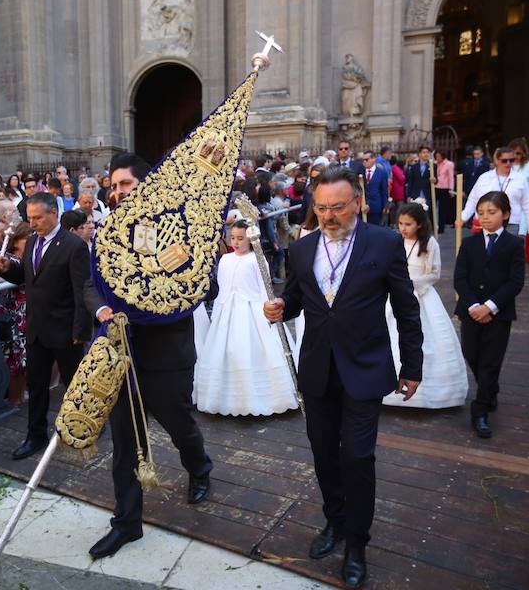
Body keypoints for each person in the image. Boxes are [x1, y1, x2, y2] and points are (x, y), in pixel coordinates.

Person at [263, 167, 422, 588]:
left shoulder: (385, 243)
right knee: (323, 453)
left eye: (338, 207)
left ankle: (356, 542)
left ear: (358, 203)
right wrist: (281, 305)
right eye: (321, 207)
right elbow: (297, 298)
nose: (329, 216)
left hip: (366, 370)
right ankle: (334, 521)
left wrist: (413, 367)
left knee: (357, 457)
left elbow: (407, 310)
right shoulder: (302, 247)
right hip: (317, 370)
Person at [82, 152, 213, 560]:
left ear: (146, 185)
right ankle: (127, 523)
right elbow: (90, 284)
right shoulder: (105, 235)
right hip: (123, 354)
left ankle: (200, 468)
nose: (118, 192)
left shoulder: (178, 228)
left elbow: (196, 287)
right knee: (124, 442)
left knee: (179, 425)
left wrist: (149, 298)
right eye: (114, 185)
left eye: (126, 184)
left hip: (167, 354)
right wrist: (101, 309)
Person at [0, 192, 91, 460]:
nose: (32, 223)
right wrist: (7, 269)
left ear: (54, 214)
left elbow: (82, 290)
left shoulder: (73, 246)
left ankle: (83, 429)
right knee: (36, 386)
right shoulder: (33, 241)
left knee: (74, 385)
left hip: (65, 331)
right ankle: (35, 435)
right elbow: (28, 276)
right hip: (36, 329)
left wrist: (80, 332)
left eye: (37, 217)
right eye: (29, 217)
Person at [194, 221, 298, 416]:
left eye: (240, 238)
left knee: (252, 349)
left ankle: (261, 396)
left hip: (252, 309)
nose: (236, 242)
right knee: (227, 350)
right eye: (232, 238)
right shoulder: (225, 260)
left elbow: (264, 289)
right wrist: (217, 312)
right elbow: (222, 288)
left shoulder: (257, 260)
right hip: (227, 311)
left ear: (250, 239)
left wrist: (267, 312)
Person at [454, 192, 525, 439]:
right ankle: (490, 389)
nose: (485, 218)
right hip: (471, 311)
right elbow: (460, 278)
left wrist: (491, 306)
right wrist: (474, 306)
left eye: (491, 212)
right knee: (471, 353)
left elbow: (515, 282)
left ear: (505, 214)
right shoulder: (469, 243)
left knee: (490, 361)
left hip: (499, 314)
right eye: (481, 212)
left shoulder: (514, 245)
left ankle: (480, 410)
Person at [384, 203, 467, 409]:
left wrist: (412, 285)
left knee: (426, 338)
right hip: (395, 294)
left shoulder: (429, 243)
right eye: (401, 224)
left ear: (419, 225)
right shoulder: (395, 242)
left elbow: (434, 274)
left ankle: (429, 391)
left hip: (420, 294)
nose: (403, 228)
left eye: (408, 224)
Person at [458, 147, 529, 239]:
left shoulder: (520, 179)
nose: (508, 163)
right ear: (497, 160)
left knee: (509, 251)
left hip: (511, 223)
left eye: (511, 160)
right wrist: (462, 218)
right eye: (504, 160)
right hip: (486, 222)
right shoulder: (484, 178)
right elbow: (473, 200)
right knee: (485, 252)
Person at [0, 223, 32, 406]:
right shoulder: (10, 259)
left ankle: (19, 396)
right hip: (13, 315)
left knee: (23, 359)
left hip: (27, 314)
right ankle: (14, 398)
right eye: (28, 238)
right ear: (16, 241)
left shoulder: (30, 258)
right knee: (14, 359)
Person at [362, 151, 389, 226]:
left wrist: (385, 207)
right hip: (363, 208)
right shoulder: (360, 172)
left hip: (376, 208)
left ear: (373, 159)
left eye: (366, 160)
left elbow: (384, 191)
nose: (364, 162)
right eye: (363, 160)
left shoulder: (381, 173)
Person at [433, 150, 454, 233]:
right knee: (433, 207)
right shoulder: (434, 163)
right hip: (435, 186)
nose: (438, 158)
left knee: (443, 208)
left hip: (444, 188)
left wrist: (451, 189)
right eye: (436, 156)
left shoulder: (449, 164)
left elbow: (451, 177)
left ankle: (441, 227)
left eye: (439, 156)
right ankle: (433, 225)